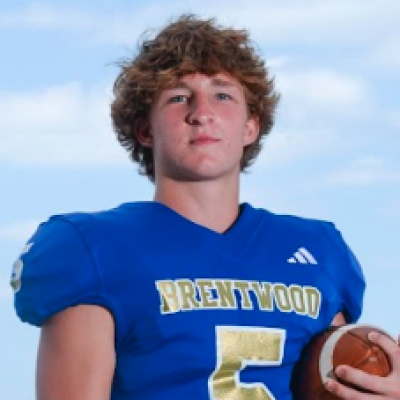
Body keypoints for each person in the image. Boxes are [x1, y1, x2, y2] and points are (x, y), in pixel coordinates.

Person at [10, 14, 400, 400]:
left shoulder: (318, 250)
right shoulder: (94, 248)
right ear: (145, 129)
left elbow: (336, 381)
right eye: (179, 97)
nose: (201, 114)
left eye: (222, 95)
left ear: (250, 126)